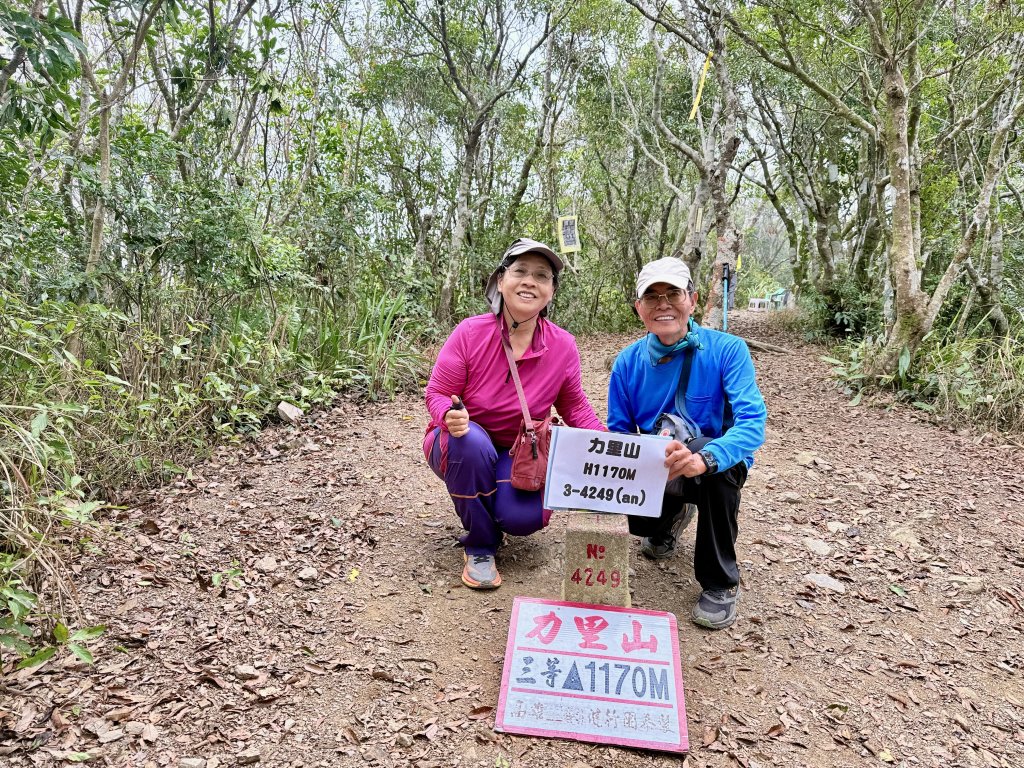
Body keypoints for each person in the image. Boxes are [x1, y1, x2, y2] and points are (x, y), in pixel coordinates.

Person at [423, 238, 604, 590]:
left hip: (521, 450)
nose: (529, 281)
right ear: (501, 281)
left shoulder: (562, 345)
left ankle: (491, 508)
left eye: (541, 276)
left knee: (526, 518)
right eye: (520, 271)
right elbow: (438, 392)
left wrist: (607, 441)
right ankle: (480, 544)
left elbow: (575, 405)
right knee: (470, 442)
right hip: (459, 443)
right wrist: (448, 414)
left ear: (551, 291)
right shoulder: (470, 332)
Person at [607, 256, 767, 629]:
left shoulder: (728, 350)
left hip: (713, 464)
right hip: (656, 462)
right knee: (642, 531)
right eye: (652, 296)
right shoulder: (627, 363)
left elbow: (752, 424)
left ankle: (720, 583)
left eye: (673, 293)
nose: (663, 303)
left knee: (717, 471)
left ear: (692, 300)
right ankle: (668, 520)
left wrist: (707, 457)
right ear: (639, 308)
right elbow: (617, 431)